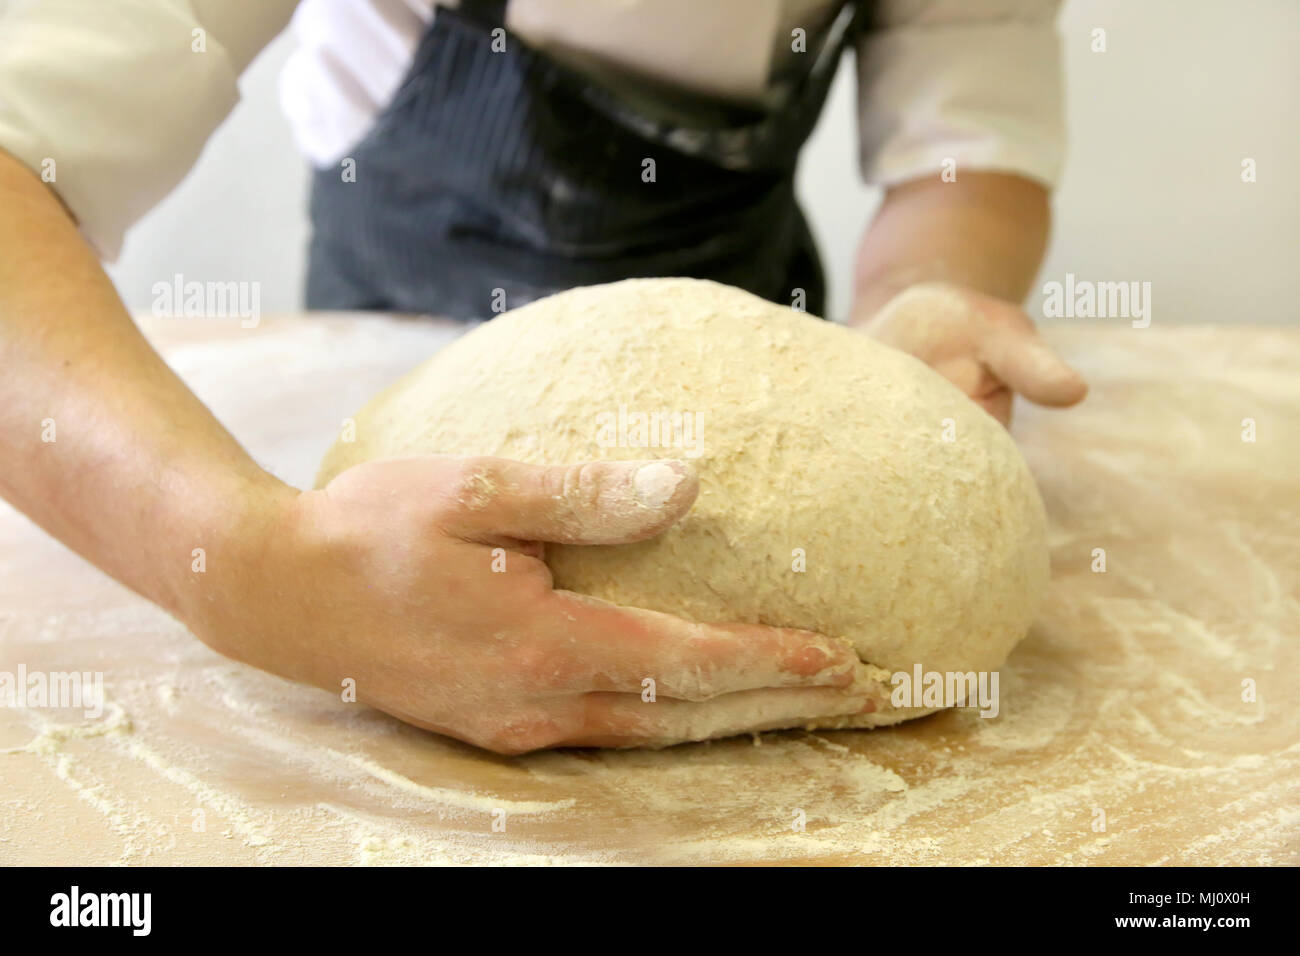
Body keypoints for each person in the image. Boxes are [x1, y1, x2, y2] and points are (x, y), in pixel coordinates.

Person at [0, 0, 1086, 752]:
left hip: (761, 320)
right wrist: (241, 562)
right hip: (395, 333)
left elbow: (965, 140)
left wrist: (923, 298)